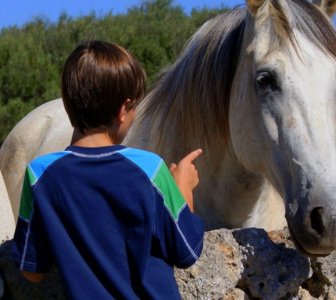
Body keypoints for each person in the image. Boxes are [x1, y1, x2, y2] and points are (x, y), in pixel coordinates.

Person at [12, 40, 204, 299]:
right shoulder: (150, 169)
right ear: (123, 110)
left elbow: (32, 271)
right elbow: (187, 251)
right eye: (136, 105)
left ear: (67, 105)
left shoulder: (40, 175)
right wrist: (183, 190)